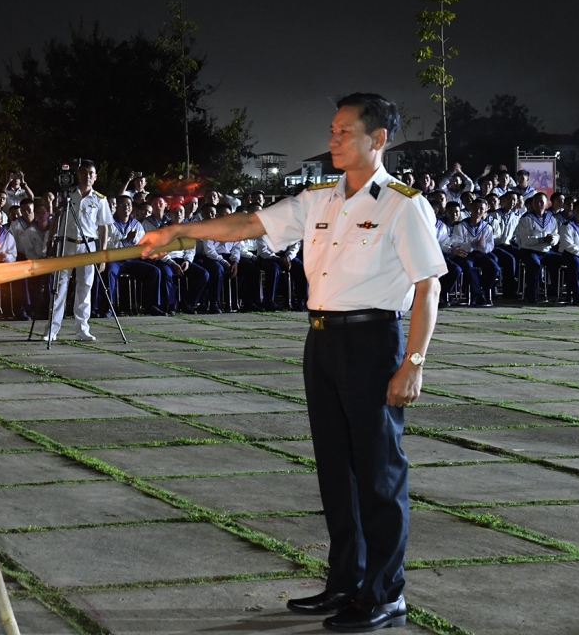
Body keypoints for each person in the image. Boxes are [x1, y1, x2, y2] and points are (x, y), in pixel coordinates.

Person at [141, 93, 443, 631]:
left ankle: (385, 594)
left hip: (373, 342)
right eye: (332, 130)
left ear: (378, 139)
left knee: (379, 472)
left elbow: (428, 287)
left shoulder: (403, 204)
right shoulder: (319, 198)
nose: (333, 139)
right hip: (322, 341)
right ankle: (346, 582)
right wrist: (177, 234)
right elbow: (248, 225)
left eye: (344, 131)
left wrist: (413, 362)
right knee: (335, 471)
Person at [43, 160, 112, 342]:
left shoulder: (100, 199)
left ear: (95, 177)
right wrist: (50, 242)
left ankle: (82, 329)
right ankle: (52, 329)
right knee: (59, 287)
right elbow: (56, 219)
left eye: (91, 173)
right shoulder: (67, 194)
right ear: (78, 174)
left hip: (87, 246)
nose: (87, 176)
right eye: (83, 172)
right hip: (67, 243)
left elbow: (103, 227)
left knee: (85, 287)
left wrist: (103, 254)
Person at [104, 195, 168, 316]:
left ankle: (151, 305)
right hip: (115, 260)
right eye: (122, 205)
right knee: (110, 271)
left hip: (132, 259)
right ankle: (108, 307)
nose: (126, 207)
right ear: (116, 208)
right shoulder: (109, 223)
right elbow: (107, 245)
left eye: (128, 205)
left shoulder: (136, 224)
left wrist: (134, 241)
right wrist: (125, 241)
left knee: (154, 271)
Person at [448, 198, 498, 307]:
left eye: (481, 209)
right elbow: (456, 243)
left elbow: (490, 245)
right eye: (475, 208)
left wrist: (483, 246)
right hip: (465, 254)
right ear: (470, 208)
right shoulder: (460, 225)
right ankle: (476, 295)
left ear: (485, 211)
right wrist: (472, 244)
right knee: (470, 269)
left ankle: (484, 292)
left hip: (481, 253)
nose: (478, 211)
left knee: (494, 268)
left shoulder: (487, 227)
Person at [515, 192, 561, 303]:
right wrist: (542, 239)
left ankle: (554, 291)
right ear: (533, 204)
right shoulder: (526, 219)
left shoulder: (551, 218)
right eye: (536, 202)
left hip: (546, 251)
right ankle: (532, 295)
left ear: (546, 204)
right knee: (534, 264)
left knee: (561, 261)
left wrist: (553, 240)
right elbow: (525, 240)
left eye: (542, 202)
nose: (539, 204)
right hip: (529, 251)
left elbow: (556, 235)